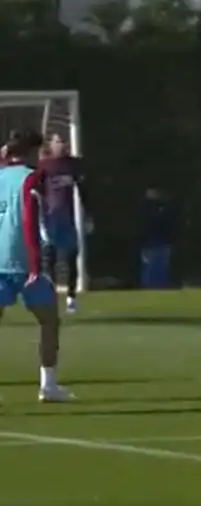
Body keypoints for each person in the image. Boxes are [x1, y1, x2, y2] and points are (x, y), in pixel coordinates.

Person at [0, 130, 73, 402]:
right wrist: (34, 266)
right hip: (25, 262)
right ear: (33, 151)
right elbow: (29, 221)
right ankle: (48, 385)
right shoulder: (32, 177)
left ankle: (50, 387)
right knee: (49, 320)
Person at [37, 134, 90, 313]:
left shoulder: (72, 164)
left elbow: (83, 191)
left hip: (67, 219)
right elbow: (37, 193)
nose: (62, 144)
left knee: (70, 257)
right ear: (51, 144)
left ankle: (71, 297)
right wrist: (40, 218)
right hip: (50, 218)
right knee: (49, 259)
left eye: (64, 141)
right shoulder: (43, 166)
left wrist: (87, 214)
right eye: (58, 141)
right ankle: (49, 297)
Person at [139, 186, 178, 289]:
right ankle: (152, 286)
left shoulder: (162, 208)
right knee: (152, 267)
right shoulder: (147, 209)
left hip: (160, 242)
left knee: (159, 267)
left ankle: (159, 285)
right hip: (153, 243)